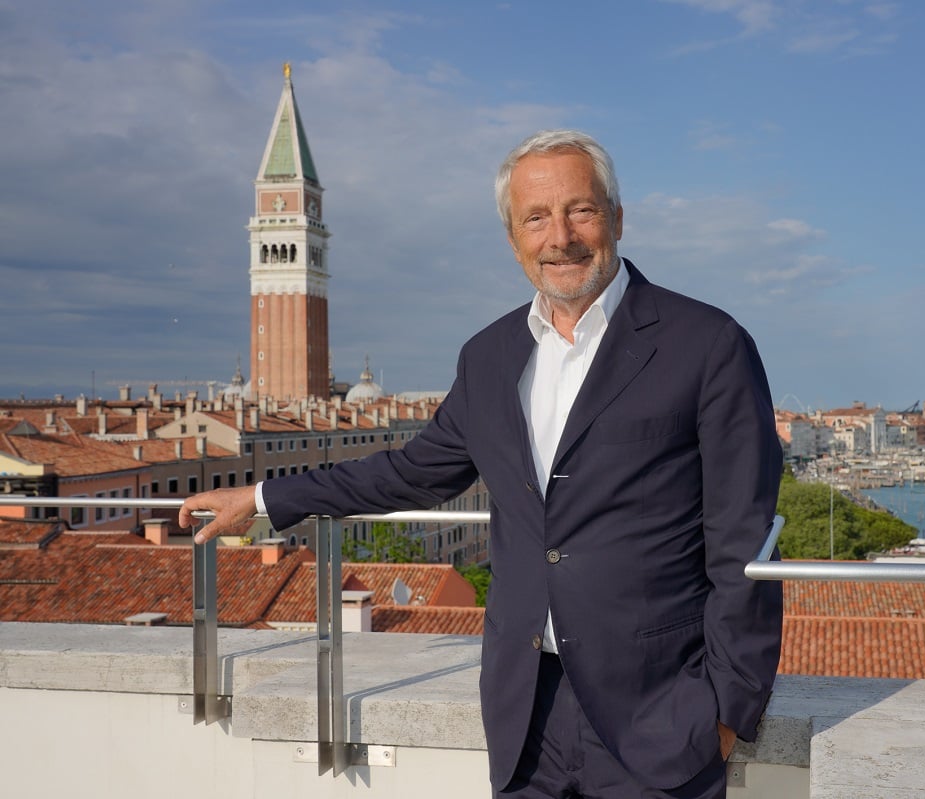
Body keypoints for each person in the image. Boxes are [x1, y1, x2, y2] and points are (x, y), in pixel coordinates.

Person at [179, 129, 783, 799]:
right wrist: (264, 498)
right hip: (526, 713)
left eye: (580, 210)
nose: (560, 236)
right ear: (512, 237)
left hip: (660, 709)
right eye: (536, 217)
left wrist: (730, 708)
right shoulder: (489, 356)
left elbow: (746, 541)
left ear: (616, 217)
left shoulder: (707, 343)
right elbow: (411, 472)